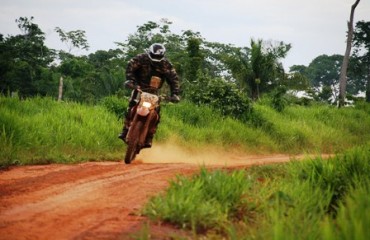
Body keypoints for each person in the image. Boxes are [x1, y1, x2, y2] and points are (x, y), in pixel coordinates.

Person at [118, 43, 180, 147]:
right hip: (139, 88)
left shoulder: (166, 65)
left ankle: (149, 137)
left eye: (158, 56)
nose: (156, 58)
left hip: (154, 92)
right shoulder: (140, 58)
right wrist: (130, 80)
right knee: (131, 104)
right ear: (150, 52)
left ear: (162, 55)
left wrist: (175, 94)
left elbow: (174, 79)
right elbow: (130, 68)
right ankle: (125, 130)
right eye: (154, 56)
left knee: (156, 113)